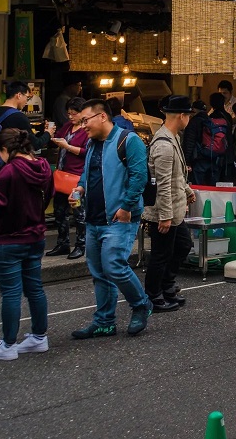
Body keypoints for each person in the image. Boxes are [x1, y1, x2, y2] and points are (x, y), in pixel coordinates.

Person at [69, 98, 152, 340]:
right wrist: (79, 189)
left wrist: (126, 207)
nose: (82, 125)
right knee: (99, 272)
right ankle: (104, 321)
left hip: (119, 218)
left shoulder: (129, 140)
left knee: (114, 265)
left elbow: (139, 177)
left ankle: (141, 304)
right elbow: (87, 173)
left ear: (102, 116)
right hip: (94, 218)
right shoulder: (93, 143)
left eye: (86, 120)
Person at [0, 128, 52, 360]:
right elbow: (47, 196)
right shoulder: (44, 167)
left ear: (5, 150)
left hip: (7, 239)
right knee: (35, 289)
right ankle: (39, 337)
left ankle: (8, 345)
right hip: (36, 236)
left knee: (11, 293)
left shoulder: (8, 172)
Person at [143, 95, 197, 313]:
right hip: (163, 211)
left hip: (174, 207)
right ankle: (154, 296)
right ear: (182, 116)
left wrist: (187, 190)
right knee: (160, 254)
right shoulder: (164, 144)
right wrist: (164, 216)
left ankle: (167, 286)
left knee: (183, 245)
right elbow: (163, 184)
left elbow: (176, 177)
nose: (189, 120)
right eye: (189, 116)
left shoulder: (173, 137)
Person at [48, 97, 89, 260]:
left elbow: (87, 152)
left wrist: (68, 147)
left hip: (77, 179)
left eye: (74, 113)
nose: (71, 117)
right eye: (69, 113)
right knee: (59, 211)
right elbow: (58, 139)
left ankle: (81, 245)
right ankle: (62, 243)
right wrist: (51, 135)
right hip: (61, 176)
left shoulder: (87, 130)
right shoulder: (67, 127)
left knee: (79, 213)